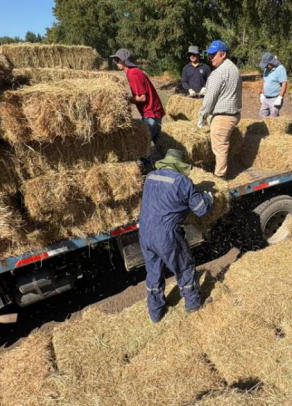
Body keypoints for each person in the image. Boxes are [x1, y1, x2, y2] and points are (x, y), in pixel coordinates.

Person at [139, 149, 214, 323]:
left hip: (145, 231)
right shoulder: (182, 181)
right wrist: (208, 199)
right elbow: (201, 210)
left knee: (154, 272)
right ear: (180, 166)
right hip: (166, 234)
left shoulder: (150, 176)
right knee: (184, 267)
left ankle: (155, 313)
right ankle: (193, 305)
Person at [197, 40, 243, 179]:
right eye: (210, 55)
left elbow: (209, 99)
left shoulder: (218, 73)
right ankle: (224, 168)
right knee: (224, 144)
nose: (211, 58)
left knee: (219, 147)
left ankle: (220, 176)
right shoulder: (234, 69)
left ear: (223, 54)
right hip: (235, 114)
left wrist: (202, 116)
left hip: (223, 116)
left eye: (214, 55)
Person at [110, 48, 166, 144]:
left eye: (117, 59)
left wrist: (124, 99)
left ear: (124, 60)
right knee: (158, 144)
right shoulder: (133, 72)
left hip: (151, 114)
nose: (115, 62)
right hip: (153, 112)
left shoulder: (133, 73)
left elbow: (142, 97)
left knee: (143, 145)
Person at [258, 52, 288, 118]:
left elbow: (284, 83)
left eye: (267, 65)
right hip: (266, 98)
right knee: (262, 115)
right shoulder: (266, 69)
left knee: (274, 118)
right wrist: (262, 94)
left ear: (271, 62)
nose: (265, 66)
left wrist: (280, 97)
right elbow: (264, 81)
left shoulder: (280, 69)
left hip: (275, 98)